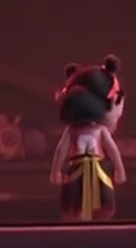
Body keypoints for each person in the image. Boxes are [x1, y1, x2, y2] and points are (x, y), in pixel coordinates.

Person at [49, 54, 127, 221]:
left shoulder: (98, 130)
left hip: (97, 171)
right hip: (76, 170)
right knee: (73, 207)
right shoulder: (73, 131)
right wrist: (55, 171)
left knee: (102, 207)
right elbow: (61, 151)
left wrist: (119, 170)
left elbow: (113, 151)